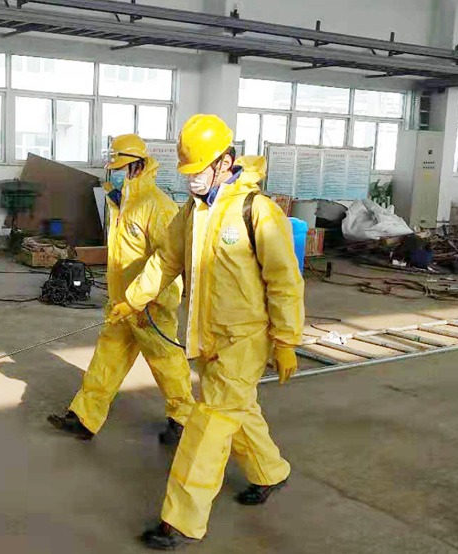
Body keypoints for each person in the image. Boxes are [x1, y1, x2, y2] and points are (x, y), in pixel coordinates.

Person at [108, 115, 305, 549]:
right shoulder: (193, 212)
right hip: (208, 335)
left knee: (210, 422)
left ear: (225, 163)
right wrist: (135, 299)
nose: (191, 179)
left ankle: (182, 520)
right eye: (188, 172)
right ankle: (271, 472)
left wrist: (287, 340)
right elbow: (165, 260)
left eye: (198, 170)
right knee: (237, 409)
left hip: (245, 338)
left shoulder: (257, 211)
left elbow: (284, 280)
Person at [48, 134, 195, 444]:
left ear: (138, 167)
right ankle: (84, 417)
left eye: (121, 169)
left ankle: (183, 420)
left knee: (167, 363)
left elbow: (169, 259)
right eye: (113, 169)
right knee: (107, 358)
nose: (116, 175)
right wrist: (122, 298)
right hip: (121, 302)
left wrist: (145, 298)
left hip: (152, 305)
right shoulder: (122, 204)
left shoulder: (158, 206)